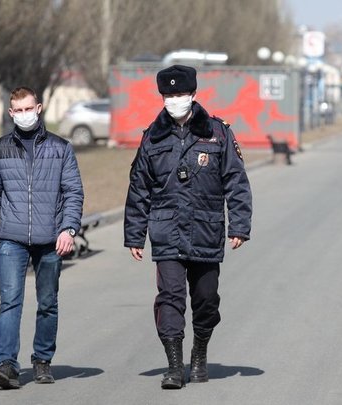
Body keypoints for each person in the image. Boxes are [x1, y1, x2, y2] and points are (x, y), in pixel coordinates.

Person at [124, 65, 252, 389]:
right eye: (168, 95)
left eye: (180, 93)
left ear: (193, 94)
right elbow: (139, 188)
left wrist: (239, 225)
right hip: (166, 231)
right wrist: (135, 235)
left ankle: (199, 351)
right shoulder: (152, 136)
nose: (174, 99)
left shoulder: (218, 132)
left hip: (206, 230)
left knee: (206, 299)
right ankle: (173, 366)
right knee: (170, 297)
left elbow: (236, 181)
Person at [0, 86, 84, 389]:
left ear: (38, 109)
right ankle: (7, 365)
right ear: (11, 113)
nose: (24, 115)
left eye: (29, 109)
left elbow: (73, 192)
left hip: (50, 239)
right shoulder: (0, 148)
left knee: (47, 302)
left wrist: (68, 229)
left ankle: (42, 360)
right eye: (18, 110)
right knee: (10, 302)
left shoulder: (61, 148)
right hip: (11, 239)